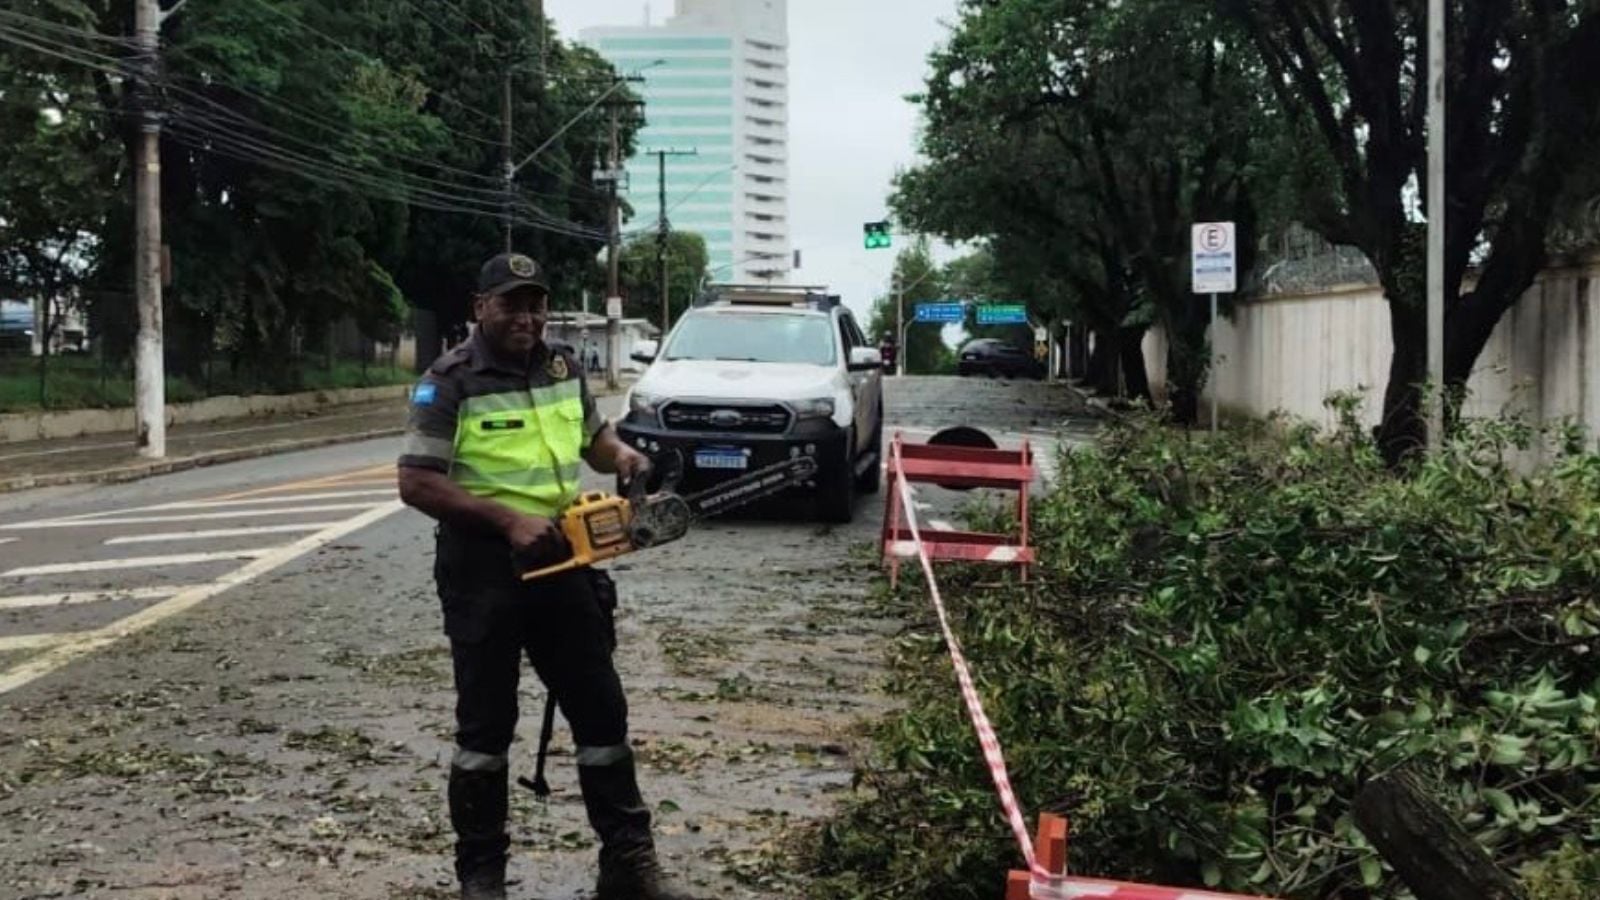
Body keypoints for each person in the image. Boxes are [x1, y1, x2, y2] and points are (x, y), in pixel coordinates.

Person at [397, 252, 701, 900]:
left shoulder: (563, 366)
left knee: (601, 711)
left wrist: (621, 454)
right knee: (484, 729)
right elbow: (417, 482)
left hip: (564, 561)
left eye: (535, 304)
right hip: (483, 569)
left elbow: (592, 439)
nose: (527, 317)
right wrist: (506, 522)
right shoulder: (449, 380)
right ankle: (482, 877)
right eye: (512, 304)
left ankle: (628, 862)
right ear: (481, 308)